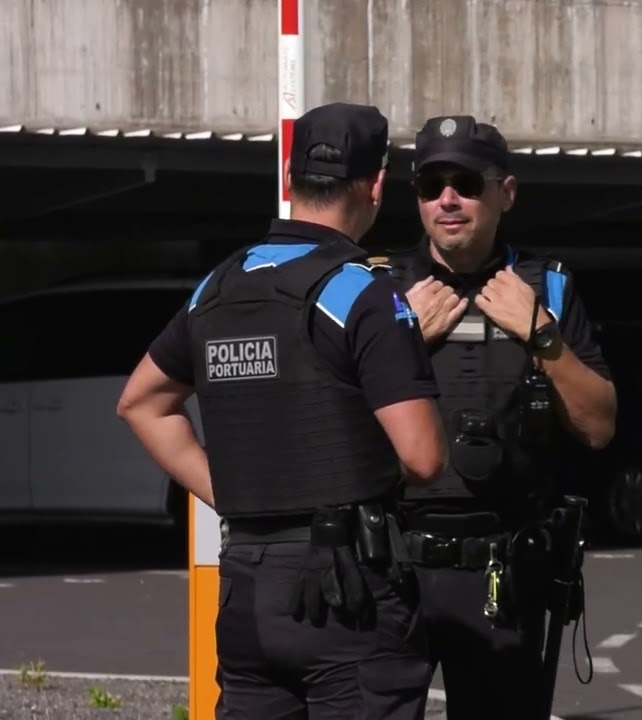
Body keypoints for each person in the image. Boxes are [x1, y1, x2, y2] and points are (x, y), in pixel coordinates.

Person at [116, 102, 449, 719]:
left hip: (246, 584)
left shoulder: (216, 288)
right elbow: (423, 457)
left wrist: (232, 490)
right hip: (347, 589)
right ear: (376, 184)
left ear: (290, 180)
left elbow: (140, 403)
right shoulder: (362, 291)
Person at [372, 114, 617, 719]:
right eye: (432, 187)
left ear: (505, 193)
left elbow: (598, 427)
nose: (448, 200)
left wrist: (542, 336)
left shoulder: (547, 289)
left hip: (502, 572)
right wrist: (403, 345)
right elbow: (329, 421)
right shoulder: (377, 286)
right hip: (392, 571)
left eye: (466, 183)